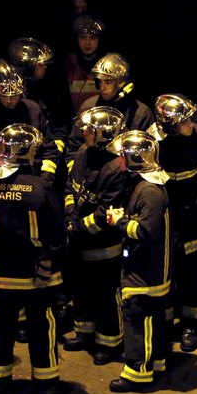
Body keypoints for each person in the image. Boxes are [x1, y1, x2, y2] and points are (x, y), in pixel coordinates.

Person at [0, 124, 68, 394]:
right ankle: (47, 385)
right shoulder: (40, 188)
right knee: (43, 326)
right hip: (38, 272)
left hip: (0, 271)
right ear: (29, 152)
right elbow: (57, 232)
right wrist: (53, 258)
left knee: (1, 327)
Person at [150, 93, 197, 352]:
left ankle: (192, 324)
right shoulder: (153, 143)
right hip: (165, 214)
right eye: (184, 122)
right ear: (169, 126)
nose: (191, 125)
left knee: (196, 268)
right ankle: (167, 323)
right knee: (167, 269)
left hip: (193, 213)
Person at [105, 130, 174, 393]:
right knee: (151, 318)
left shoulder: (149, 191)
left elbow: (146, 231)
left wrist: (118, 222)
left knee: (138, 315)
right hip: (148, 266)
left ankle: (137, 373)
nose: (119, 160)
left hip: (146, 269)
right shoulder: (143, 184)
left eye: (122, 155)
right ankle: (155, 362)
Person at [62, 106, 127, 366]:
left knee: (106, 293)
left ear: (104, 134)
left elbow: (107, 211)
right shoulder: (82, 154)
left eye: (90, 130)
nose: (84, 132)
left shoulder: (118, 166)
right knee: (82, 288)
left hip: (104, 244)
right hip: (78, 238)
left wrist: (78, 227)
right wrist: (69, 216)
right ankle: (85, 333)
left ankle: (110, 341)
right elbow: (71, 187)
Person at [65, 53, 155, 170]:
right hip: (91, 178)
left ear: (122, 83)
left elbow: (149, 155)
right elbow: (73, 147)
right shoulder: (89, 108)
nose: (102, 87)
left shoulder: (141, 113)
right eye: (100, 82)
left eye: (108, 82)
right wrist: (76, 173)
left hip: (126, 180)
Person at [0, 59, 60, 183]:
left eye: (15, 95)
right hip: (0, 183)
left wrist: (46, 179)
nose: (11, 100)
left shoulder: (33, 110)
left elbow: (49, 149)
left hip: (34, 178)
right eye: (5, 96)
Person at [8, 37, 74, 161]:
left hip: (45, 154)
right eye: (40, 64)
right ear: (28, 67)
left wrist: (56, 149)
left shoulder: (48, 90)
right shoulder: (12, 95)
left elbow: (60, 123)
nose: (45, 67)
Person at [63, 15, 107, 113]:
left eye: (93, 38)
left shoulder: (109, 63)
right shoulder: (67, 63)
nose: (88, 43)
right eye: (83, 37)